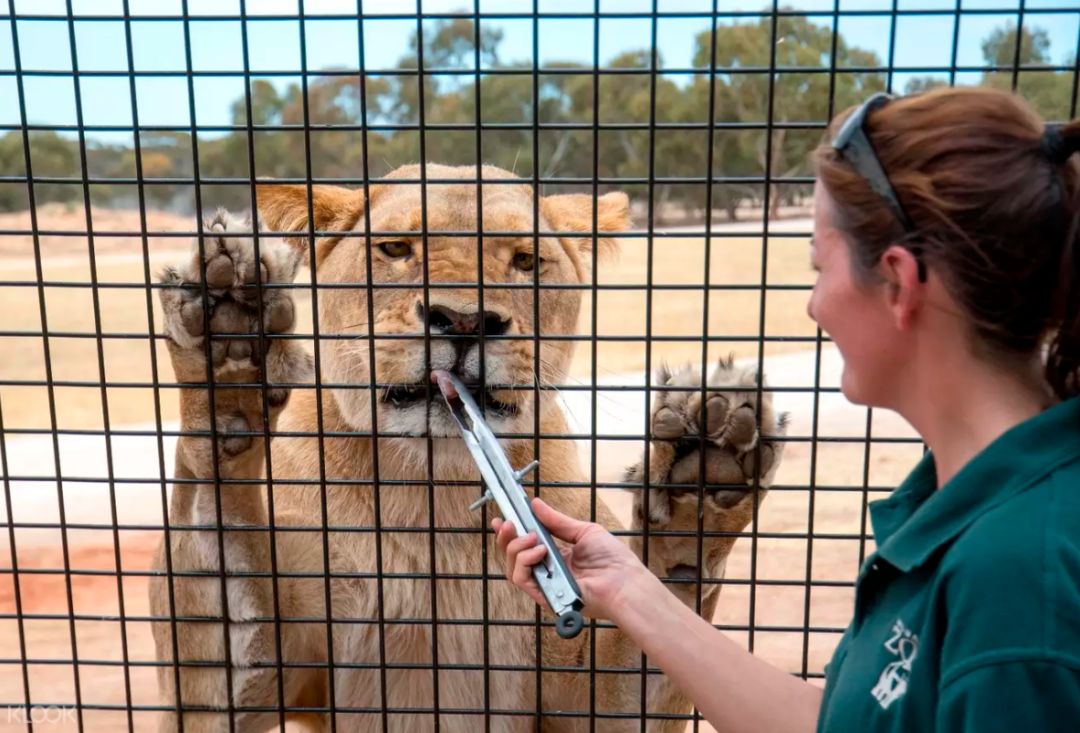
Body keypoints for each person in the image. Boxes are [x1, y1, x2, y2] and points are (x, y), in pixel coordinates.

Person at [493, 85, 1080, 731]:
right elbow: (841, 723)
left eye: (817, 267)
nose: (812, 304)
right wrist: (631, 587)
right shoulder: (973, 500)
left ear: (897, 283)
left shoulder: (1021, 583)